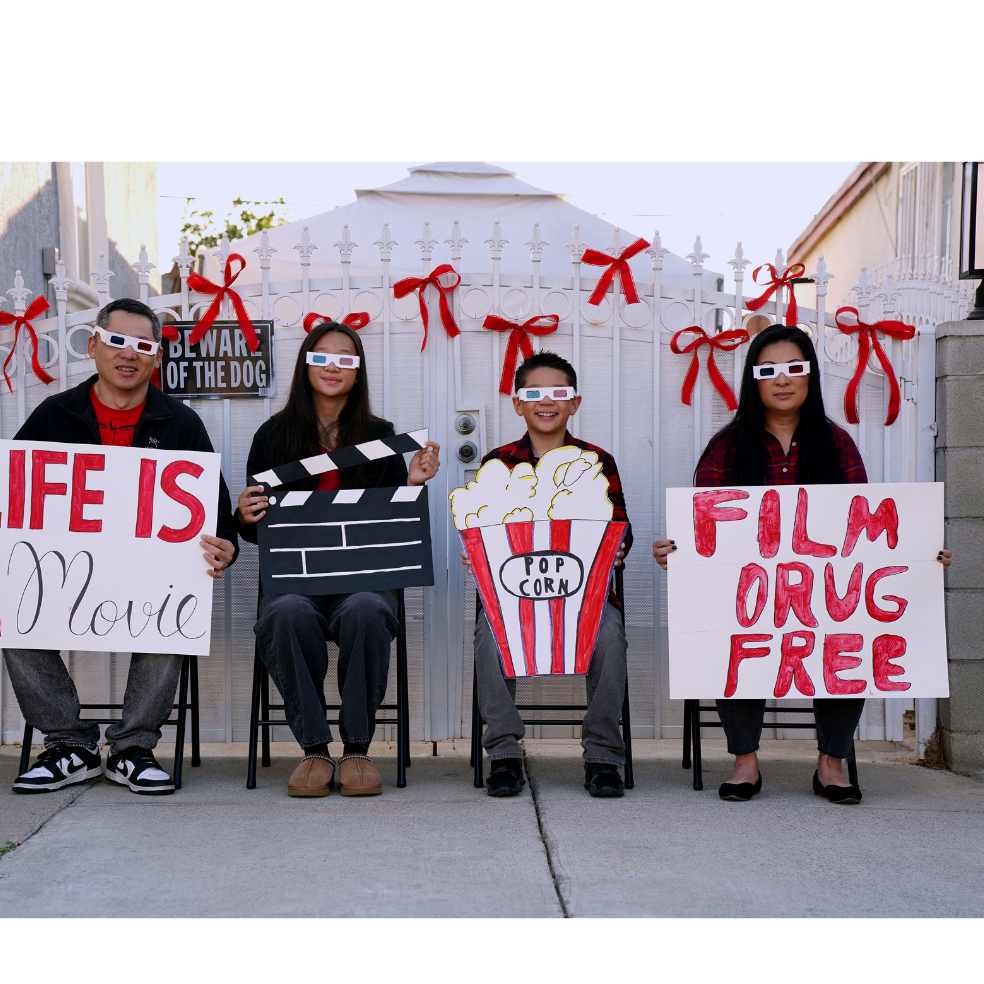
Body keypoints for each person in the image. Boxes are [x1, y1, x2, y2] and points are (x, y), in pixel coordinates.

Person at [0, 297, 239, 796]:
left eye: (143, 345)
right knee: (7, 603)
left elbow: (217, 509)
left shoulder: (180, 425)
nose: (128, 354)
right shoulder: (56, 414)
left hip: (145, 574)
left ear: (157, 357)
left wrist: (226, 546)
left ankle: (133, 748)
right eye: (117, 341)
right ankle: (69, 744)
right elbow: (12, 492)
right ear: (94, 345)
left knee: (178, 598)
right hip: (64, 572)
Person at [653, 323, 952, 804]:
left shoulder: (838, 446)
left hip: (825, 594)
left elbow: (870, 531)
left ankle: (831, 764)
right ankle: (745, 762)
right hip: (749, 594)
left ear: (811, 377)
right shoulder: (726, 447)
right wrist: (678, 552)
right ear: (753, 379)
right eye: (768, 369)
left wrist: (918, 555)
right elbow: (702, 528)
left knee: (846, 632)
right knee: (735, 633)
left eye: (795, 367)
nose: (782, 379)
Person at [236, 321, 440, 798]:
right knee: (285, 612)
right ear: (306, 363)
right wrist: (244, 515)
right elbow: (256, 528)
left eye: (346, 358)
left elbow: (394, 527)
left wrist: (410, 485)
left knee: (368, 609)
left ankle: (356, 748)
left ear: (359, 370)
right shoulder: (273, 434)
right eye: (322, 356)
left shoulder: (381, 436)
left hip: (364, 578)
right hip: (295, 580)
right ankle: (313, 749)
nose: (333, 367)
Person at [462, 351, 633, 798]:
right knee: (488, 635)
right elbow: (481, 530)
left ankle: (603, 755)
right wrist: (476, 554)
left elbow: (622, 529)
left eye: (558, 393)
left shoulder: (597, 461)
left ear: (574, 403)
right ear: (517, 404)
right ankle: (503, 751)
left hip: (585, 597)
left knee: (610, 634)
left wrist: (613, 552)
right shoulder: (497, 463)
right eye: (533, 393)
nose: (546, 401)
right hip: (513, 598)